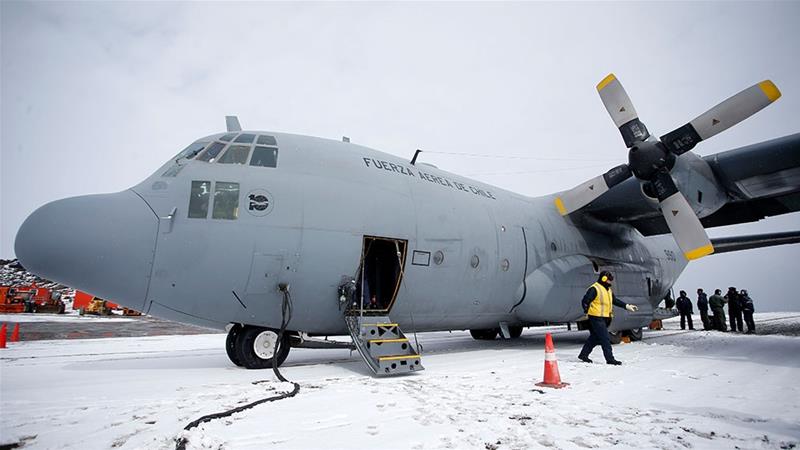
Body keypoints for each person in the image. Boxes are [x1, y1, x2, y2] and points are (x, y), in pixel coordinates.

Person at [578, 271, 638, 365]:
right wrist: (586, 311)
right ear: (604, 279)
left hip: (605, 318)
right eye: (609, 280)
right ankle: (610, 359)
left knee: (595, 337)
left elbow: (614, 301)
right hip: (596, 317)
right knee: (605, 338)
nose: (611, 283)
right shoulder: (595, 288)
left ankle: (583, 354)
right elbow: (585, 301)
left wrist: (626, 306)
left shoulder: (608, 290)